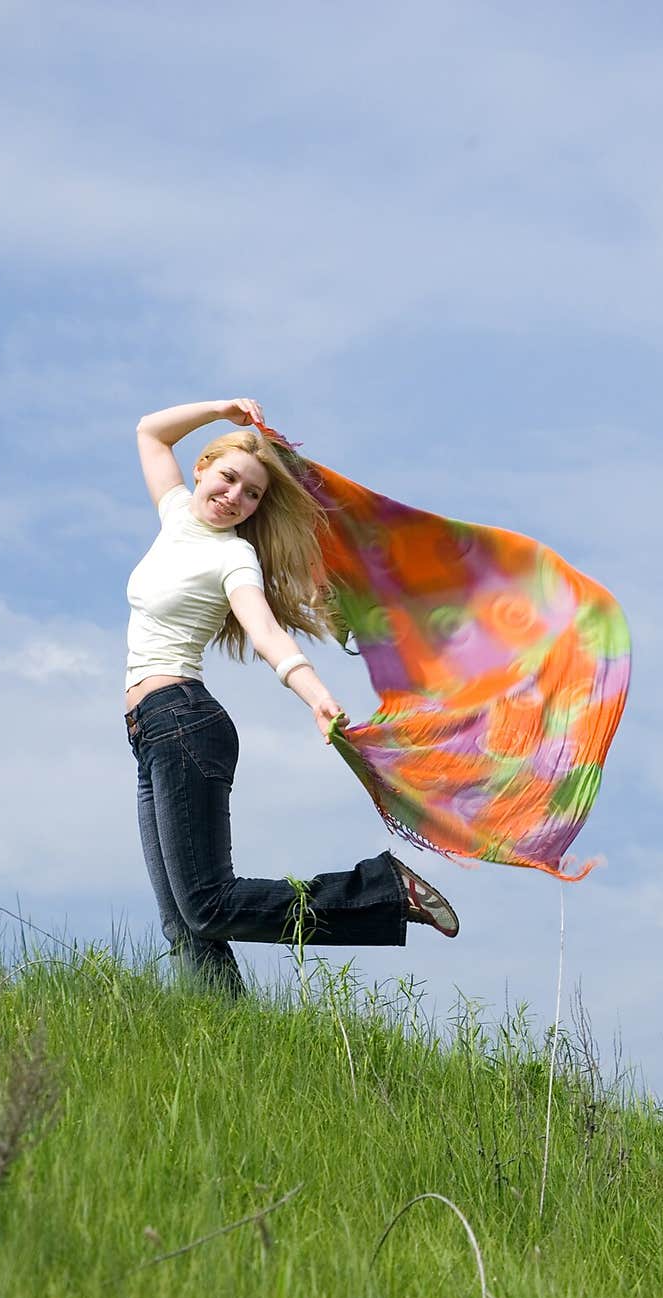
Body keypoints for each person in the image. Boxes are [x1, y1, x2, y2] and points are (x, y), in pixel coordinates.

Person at [125, 397, 459, 997]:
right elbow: (151, 432)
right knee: (185, 924)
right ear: (202, 469)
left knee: (206, 904)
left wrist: (316, 695)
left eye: (251, 494)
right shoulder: (176, 515)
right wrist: (225, 409)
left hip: (184, 724)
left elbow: (268, 633)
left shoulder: (235, 556)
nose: (235, 497)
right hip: (149, 733)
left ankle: (385, 893)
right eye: (228, 478)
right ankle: (221, 1043)